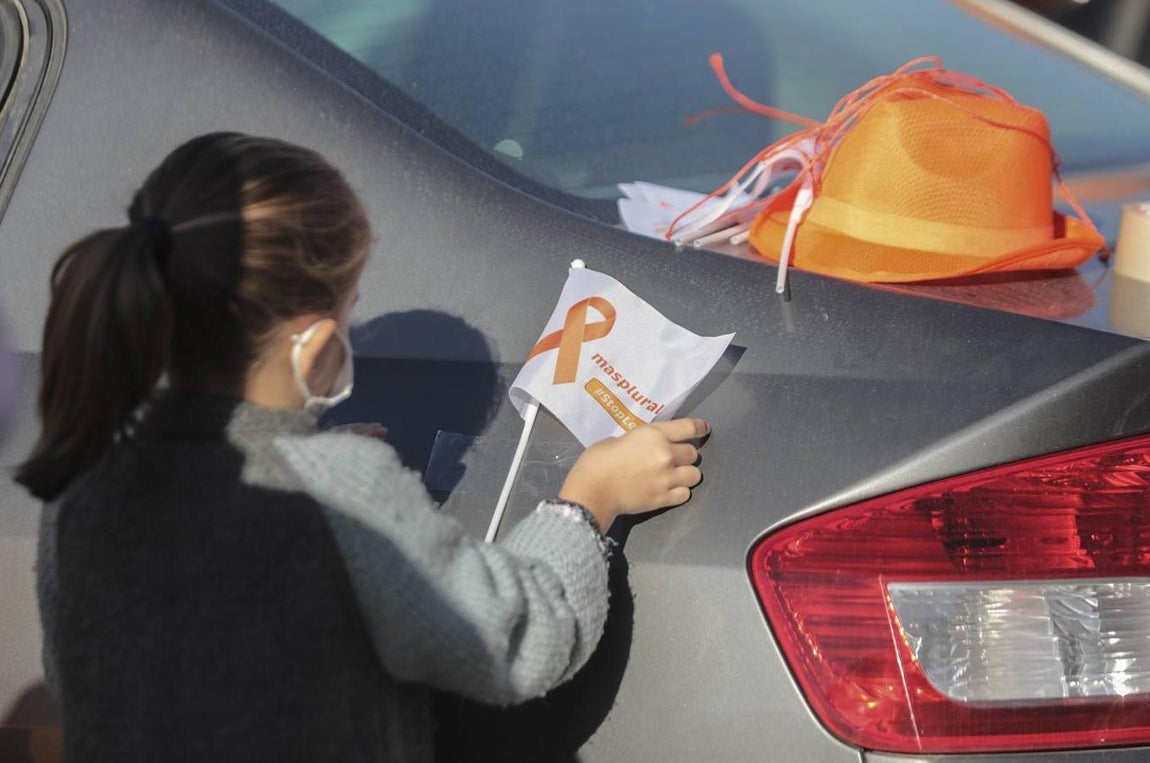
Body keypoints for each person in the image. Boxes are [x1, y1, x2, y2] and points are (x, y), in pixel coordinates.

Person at [15, 132, 708, 762]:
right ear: (317, 346)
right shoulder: (340, 493)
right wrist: (588, 501)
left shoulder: (86, 477)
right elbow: (512, 640)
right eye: (350, 311)